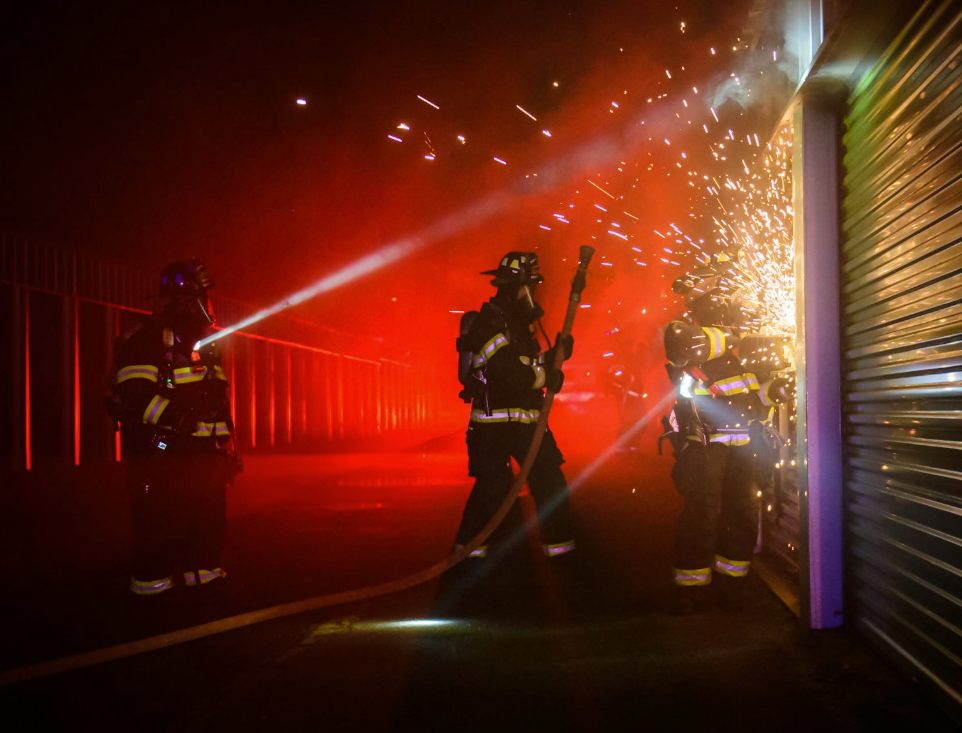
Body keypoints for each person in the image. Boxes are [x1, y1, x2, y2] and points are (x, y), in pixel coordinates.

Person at [661, 255, 794, 614]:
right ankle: (692, 587)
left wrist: (776, 391)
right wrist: (745, 335)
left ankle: (732, 582)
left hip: (745, 441)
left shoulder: (740, 354)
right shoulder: (686, 333)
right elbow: (685, 346)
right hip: (706, 441)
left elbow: (751, 398)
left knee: (744, 511)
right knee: (702, 512)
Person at [108, 258, 242, 599]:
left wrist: (226, 448)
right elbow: (134, 393)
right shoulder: (149, 339)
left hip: (204, 455)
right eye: (202, 297)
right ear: (182, 300)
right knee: (160, 523)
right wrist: (175, 421)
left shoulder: (205, 345)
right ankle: (152, 593)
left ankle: (204, 580)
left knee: (207, 521)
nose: (208, 305)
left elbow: (217, 399)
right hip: (164, 454)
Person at [454, 251, 577, 562]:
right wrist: (548, 375)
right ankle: (467, 559)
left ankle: (562, 555)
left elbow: (525, 365)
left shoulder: (521, 328)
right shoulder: (487, 323)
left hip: (526, 423)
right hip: (492, 426)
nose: (535, 295)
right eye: (532, 287)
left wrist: (554, 357)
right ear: (520, 287)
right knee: (492, 491)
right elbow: (509, 374)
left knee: (550, 482)